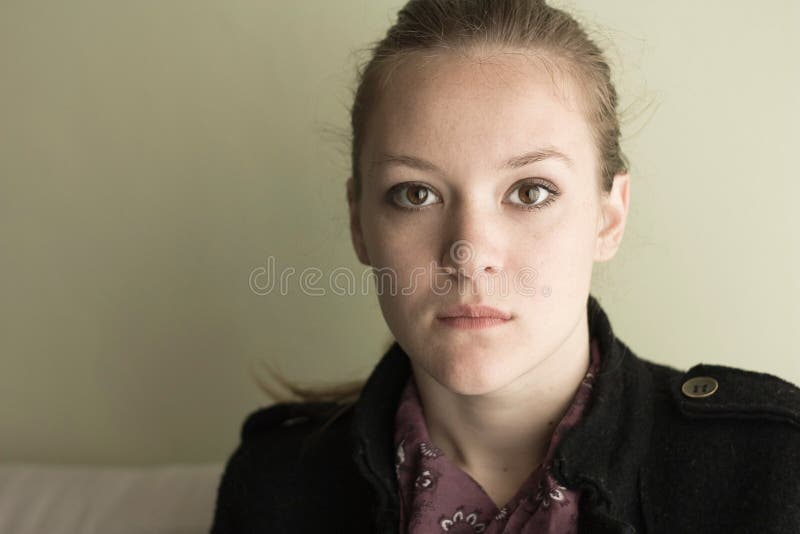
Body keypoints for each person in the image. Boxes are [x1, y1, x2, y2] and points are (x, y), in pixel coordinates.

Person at [210, 1, 800, 532]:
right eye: (415, 194)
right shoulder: (275, 489)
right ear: (359, 222)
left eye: (531, 192)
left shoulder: (769, 468)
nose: (469, 255)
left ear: (608, 216)